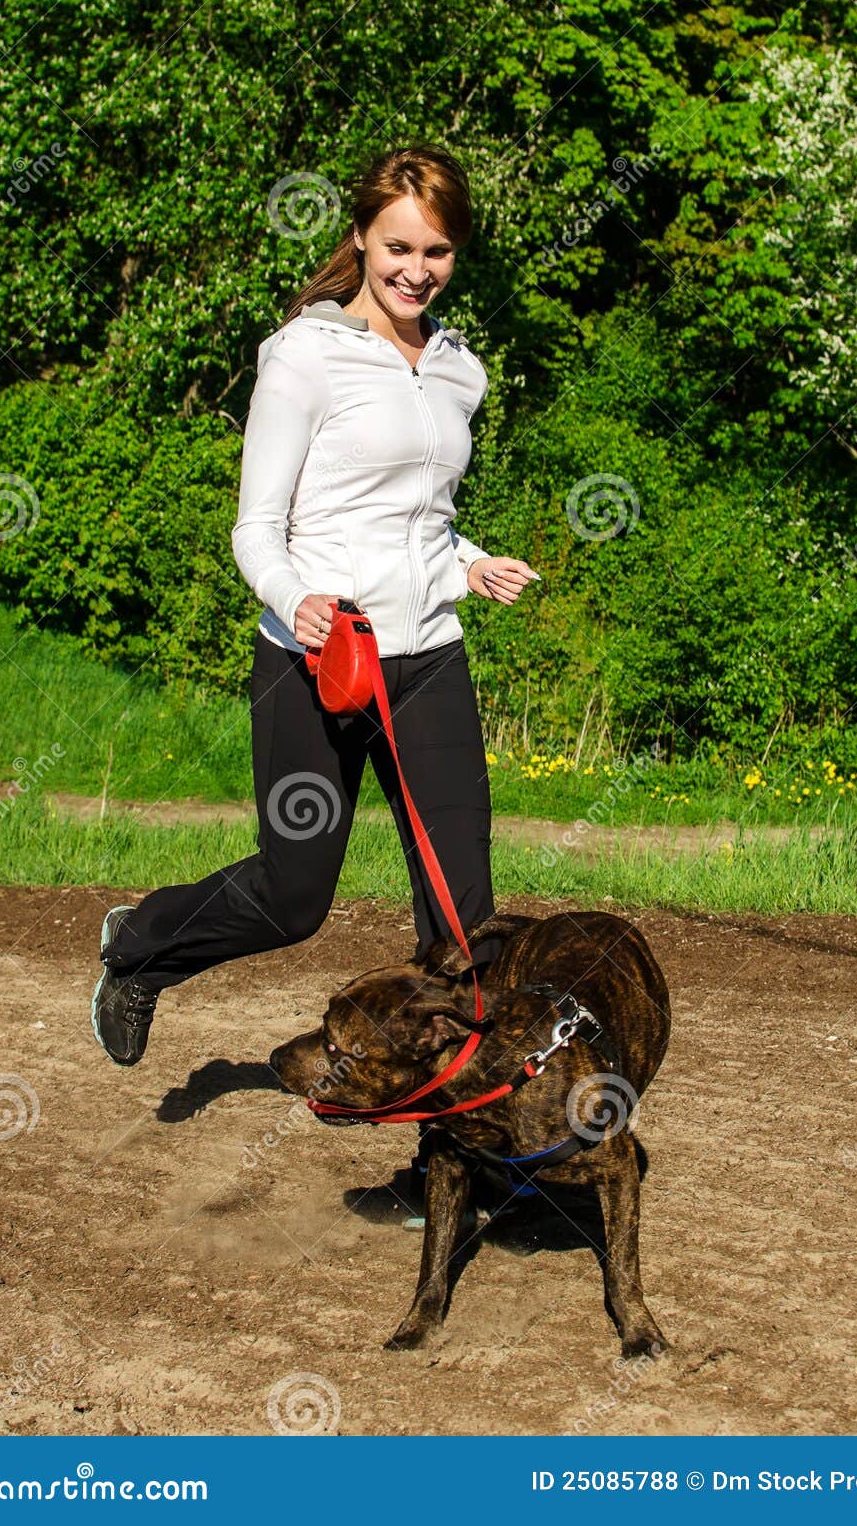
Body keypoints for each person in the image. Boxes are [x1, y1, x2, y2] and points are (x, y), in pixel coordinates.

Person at [91, 142, 540, 1068]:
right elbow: (258, 528)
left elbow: (417, 516)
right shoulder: (306, 355)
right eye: (399, 248)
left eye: (439, 252)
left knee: (464, 918)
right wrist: (295, 601)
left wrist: (469, 562)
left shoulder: (460, 369)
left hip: (429, 660)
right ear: (363, 241)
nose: (418, 271)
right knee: (295, 897)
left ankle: (447, 1145)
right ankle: (138, 946)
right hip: (318, 659)